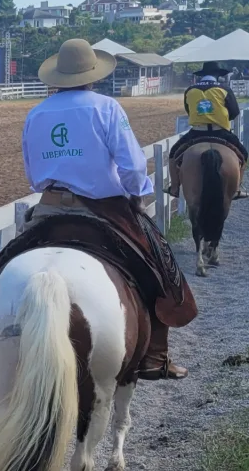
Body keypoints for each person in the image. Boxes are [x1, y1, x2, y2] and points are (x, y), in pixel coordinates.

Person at [20, 38, 192, 380]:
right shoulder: (106, 107)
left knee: (12, 263)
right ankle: (155, 356)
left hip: (49, 207)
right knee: (157, 264)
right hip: (102, 209)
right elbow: (131, 165)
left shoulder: (35, 113)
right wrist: (136, 194)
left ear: (58, 76)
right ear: (93, 75)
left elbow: (31, 172)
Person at [165, 61, 248, 199]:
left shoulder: (190, 90)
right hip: (220, 131)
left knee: (173, 155)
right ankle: (237, 188)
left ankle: (174, 188)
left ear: (202, 75)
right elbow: (234, 112)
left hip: (197, 131)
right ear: (217, 75)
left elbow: (189, 110)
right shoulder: (224, 89)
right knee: (243, 155)